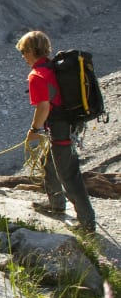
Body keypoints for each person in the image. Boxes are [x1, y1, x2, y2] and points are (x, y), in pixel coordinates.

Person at [15, 30, 95, 234]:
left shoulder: (36, 75)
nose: (23, 57)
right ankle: (56, 203)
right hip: (69, 124)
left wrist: (34, 129)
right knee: (48, 162)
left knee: (69, 174)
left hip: (60, 129)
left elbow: (43, 106)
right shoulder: (53, 67)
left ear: (31, 51)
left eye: (24, 52)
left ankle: (86, 223)